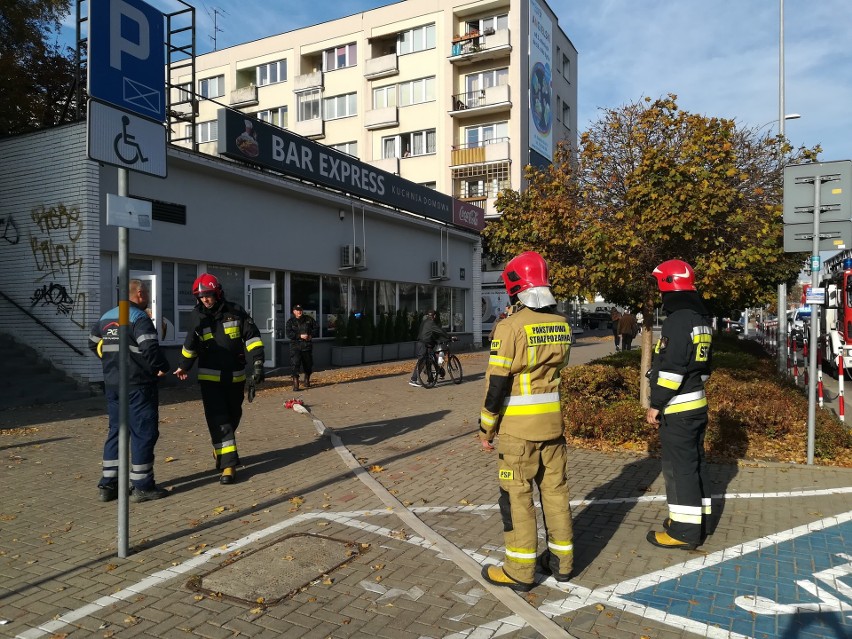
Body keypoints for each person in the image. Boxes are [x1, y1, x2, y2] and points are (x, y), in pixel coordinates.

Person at [478, 251, 574, 592]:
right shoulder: (562, 324)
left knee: (516, 497)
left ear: (515, 287)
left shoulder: (509, 327)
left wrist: (486, 427)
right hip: (553, 425)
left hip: (518, 431)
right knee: (556, 492)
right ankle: (562, 562)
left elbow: (497, 384)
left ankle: (520, 571)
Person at [646, 259, 713, 550]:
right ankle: (699, 522)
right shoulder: (700, 319)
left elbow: (672, 369)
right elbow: (706, 366)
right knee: (695, 465)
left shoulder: (678, 320)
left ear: (666, 286)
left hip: (678, 408)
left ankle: (684, 532)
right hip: (696, 403)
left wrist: (656, 403)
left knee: (679, 469)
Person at [173, 274, 265, 485]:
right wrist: (183, 365)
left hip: (235, 377)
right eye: (201, 296)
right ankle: (229, 466)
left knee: (233, 416)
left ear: (217, 293)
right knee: (220, 420)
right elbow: (190, 344)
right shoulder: (197, 317)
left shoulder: (236, 312)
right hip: (210, 377)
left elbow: (252, 337)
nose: (205, 299)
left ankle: (221, 452)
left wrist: (258, 364)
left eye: (208, 295)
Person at [89, 279, 170, 503]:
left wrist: (112, 363)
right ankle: (142, 485)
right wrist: (161, 368)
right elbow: (150, 347)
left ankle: (108, 484)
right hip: (138, 386)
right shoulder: (138, 318)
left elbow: (93, 343)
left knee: (117, 431)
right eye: (146, 293)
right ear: (140, 293)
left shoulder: (107, 316)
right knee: (143, 432)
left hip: (114, 385)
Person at [408, 309, 450, 387]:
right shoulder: (431, 323)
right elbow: (439, 331)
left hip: (426, 343)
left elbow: (430, 333)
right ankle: (413, 379)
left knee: (429, 360)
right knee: (422, 361)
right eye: (434, 316)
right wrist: (449, 337)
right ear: (434, 316)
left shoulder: (424, 322)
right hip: (424, 343)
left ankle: (431, 379)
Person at [285, 304, 316, 390]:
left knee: (308, 364)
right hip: (295, 346)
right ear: (294, 311)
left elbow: (316, 328)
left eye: (300, 310)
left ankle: (307, 379)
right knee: (295, 364)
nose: (299, 311)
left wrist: (310, 335)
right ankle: (296, 382)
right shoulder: (290, 322)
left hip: (307, 345)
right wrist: (299, 336)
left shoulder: (309, 319)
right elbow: (289, 334)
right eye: (297, 310)